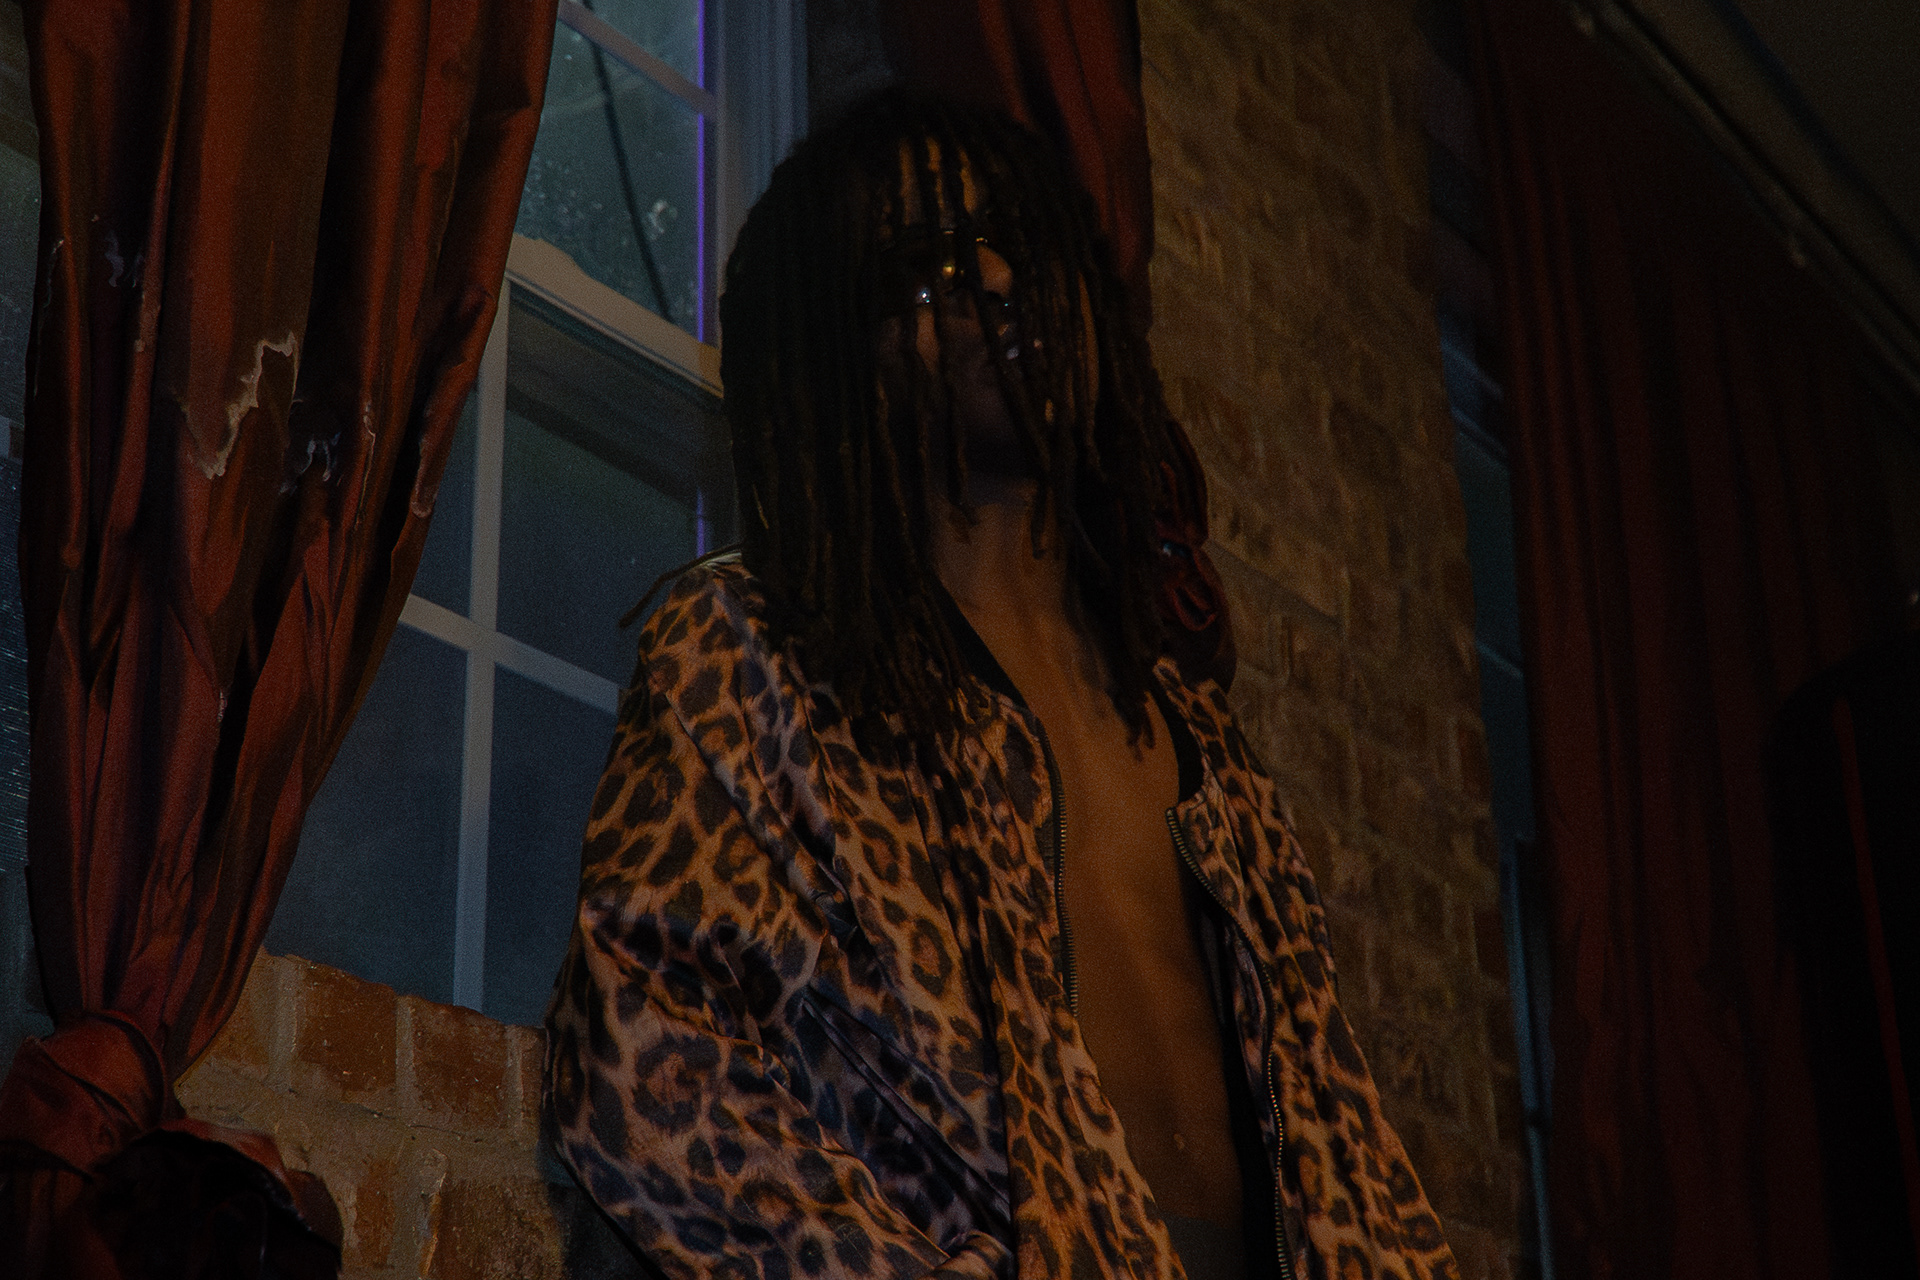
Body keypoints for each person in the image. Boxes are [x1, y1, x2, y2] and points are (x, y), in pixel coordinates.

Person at [544, 91, 1457, 1280]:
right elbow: (646, 1058)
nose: (994, 279)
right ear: (842, 350)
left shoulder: (1209, 750)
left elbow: (1346, 1142)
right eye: (929, 267)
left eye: (1020, 241)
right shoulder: (753, 653)